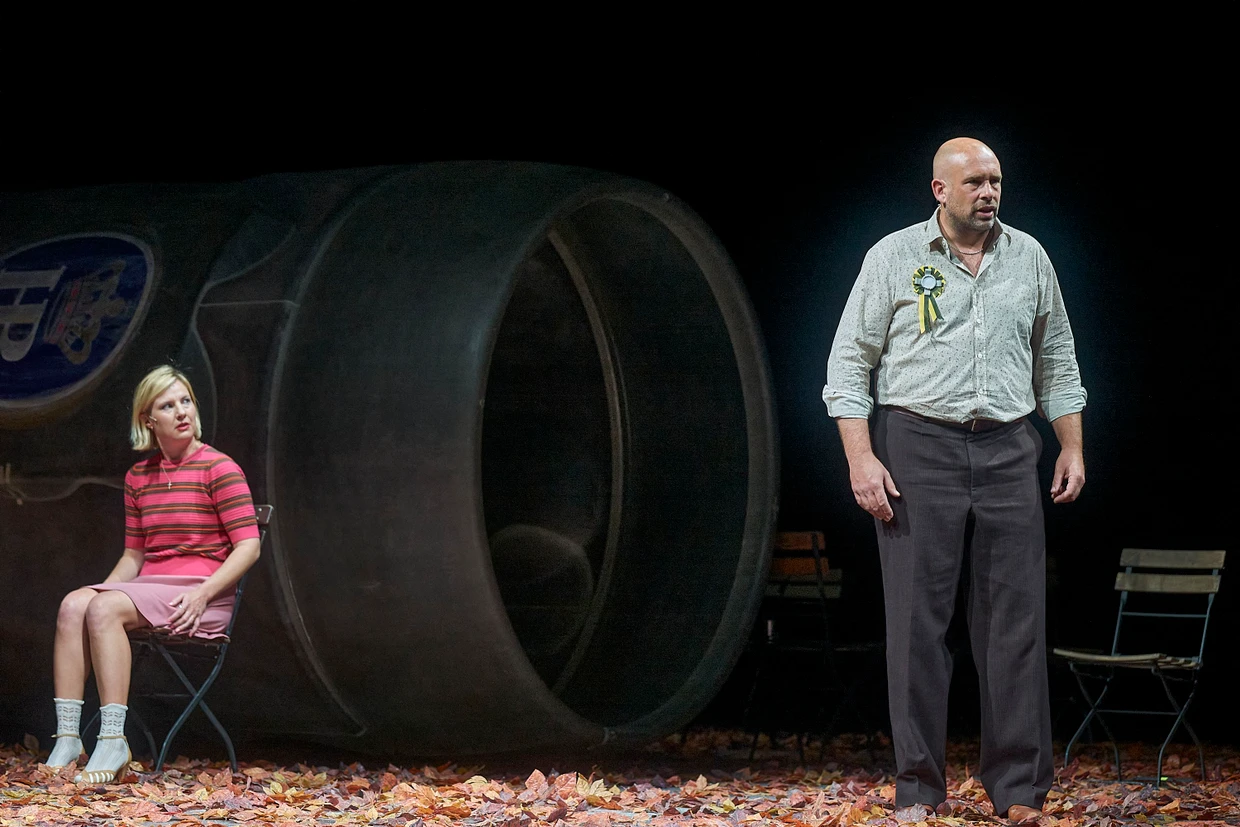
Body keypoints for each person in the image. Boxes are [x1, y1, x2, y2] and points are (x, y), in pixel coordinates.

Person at [823, 138, 1086, 823]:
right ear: (939, 189)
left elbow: (1057, 357)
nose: (989, 192)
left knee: (1016, 624)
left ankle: (1020, 789)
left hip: (1007, 446)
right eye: (974, 181)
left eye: (996, 179)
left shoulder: (1029, 256)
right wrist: (861, 457)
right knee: (917, 625)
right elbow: (849, 364)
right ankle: (919, 786)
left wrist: (1069, 446)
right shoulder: (893, 257)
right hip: (917, 445)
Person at [44, 365, 261, 784]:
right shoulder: (138, 477)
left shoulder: (220, 468)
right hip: (151, 587)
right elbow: (134, 555)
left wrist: (203, 593)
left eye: (186, 401)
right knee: (75, 604)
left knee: (104, 609)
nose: (181, 411)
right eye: (167, 405)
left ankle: (112, 741)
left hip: (199, 595)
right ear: (149, 419)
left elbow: (249, 545)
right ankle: (69, 737)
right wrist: (98, 596)